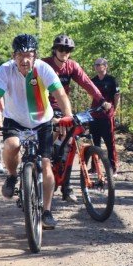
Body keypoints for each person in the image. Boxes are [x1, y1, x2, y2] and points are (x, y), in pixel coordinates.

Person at [0, 34, 74, 230]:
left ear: (35, 56)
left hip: (43, 120)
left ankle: (47, 211)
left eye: (29, 55)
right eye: (20, 55)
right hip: (15, 120)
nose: (25, 60)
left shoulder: (43, 68)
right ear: (13, 56)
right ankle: (12, 175)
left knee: (46, 164)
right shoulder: (5, 70)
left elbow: (60, 93)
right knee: (12, 145)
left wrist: (67, 115)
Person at [42, 34, 112, 203]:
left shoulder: (72, 66)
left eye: (68, 50)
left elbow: (87, 83)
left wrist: (102, 101)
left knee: (70, 144)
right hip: (44, 107)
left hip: (62, 107)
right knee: (50, 142)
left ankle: (66, 186)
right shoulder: (44, 65)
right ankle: (43, 162)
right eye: (61, 49)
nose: (64, 52)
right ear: (54, 49)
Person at [90, 58, 121, 172]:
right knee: (94, 142)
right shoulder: (93, 81)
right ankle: (94, 168)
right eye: (95, 65)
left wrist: (114, 109)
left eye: (99, 64)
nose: (97, 66)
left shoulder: (112, 80)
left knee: (109, 143)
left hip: (107, 116)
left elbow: (117, 96)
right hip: (94, 115)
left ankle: (112, 168)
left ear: (105, 66)